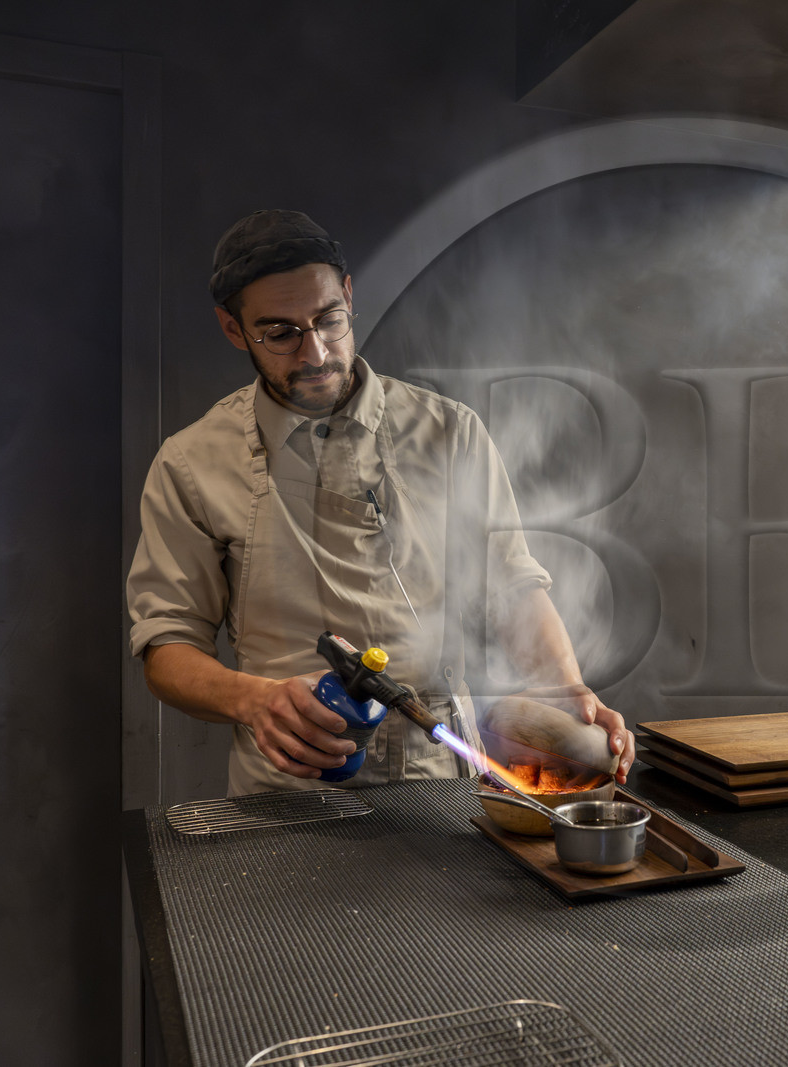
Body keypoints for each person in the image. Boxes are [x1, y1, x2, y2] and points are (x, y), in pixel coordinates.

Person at [127, 209, 633, 796]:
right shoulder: (192, 463)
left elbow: (512, 586)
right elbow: (167, 646)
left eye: (329, 320)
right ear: (234, 329)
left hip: (444, 780)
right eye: (281, 333)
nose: (316, 353)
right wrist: (254, 699)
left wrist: (562, 688)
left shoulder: (449, 432)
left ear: (348, 295)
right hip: (292, 790)